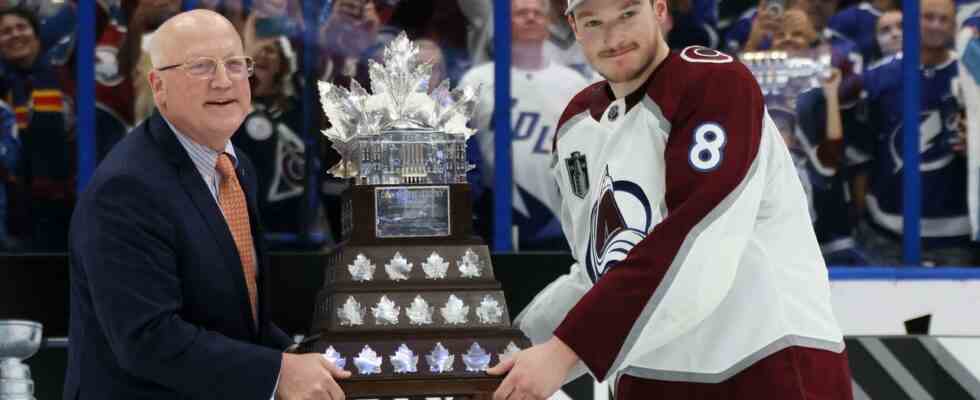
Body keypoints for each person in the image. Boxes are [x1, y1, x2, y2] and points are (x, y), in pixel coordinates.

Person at [487, 0, 851, 398]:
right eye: (594, 22)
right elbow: (598, 273)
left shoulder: (712, 83)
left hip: (765, 368)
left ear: (658, 9)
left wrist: (563, 352)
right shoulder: (578, 126)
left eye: (627, 14)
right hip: (650, 378)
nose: (613, 37)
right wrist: (506, 351)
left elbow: (696, 237)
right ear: (573, 27)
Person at [65, 10, 349, 400]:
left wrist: (293, 354)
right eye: (200, 67)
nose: (223, 80)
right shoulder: (126, 189)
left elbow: (234, 314)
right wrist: (278, 373)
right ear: (158, 85)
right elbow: (148, 340)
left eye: (235, 64)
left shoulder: (235, 164)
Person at [851, 0, 975, 266]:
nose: (935, 25)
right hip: (884, 234)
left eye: (944, 19)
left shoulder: (972, 78)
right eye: (928, 17)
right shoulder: (877, 78)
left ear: (955, 26)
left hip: (956, 238)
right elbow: (860, 155)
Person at [460, 0, 589, 251]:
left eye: (538, 13)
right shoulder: (477, 80)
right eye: (521, 13)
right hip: (498, 214)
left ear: (548, 23)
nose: (531, 18)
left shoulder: (574, 83)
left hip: (561, 213)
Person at [0, 6, 75, 251]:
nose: (14, 35)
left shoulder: (65, 69)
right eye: (5, 31)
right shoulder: (4, 88)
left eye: (21, 27)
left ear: (36, 33)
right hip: (23, 208)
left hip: (74, 197)